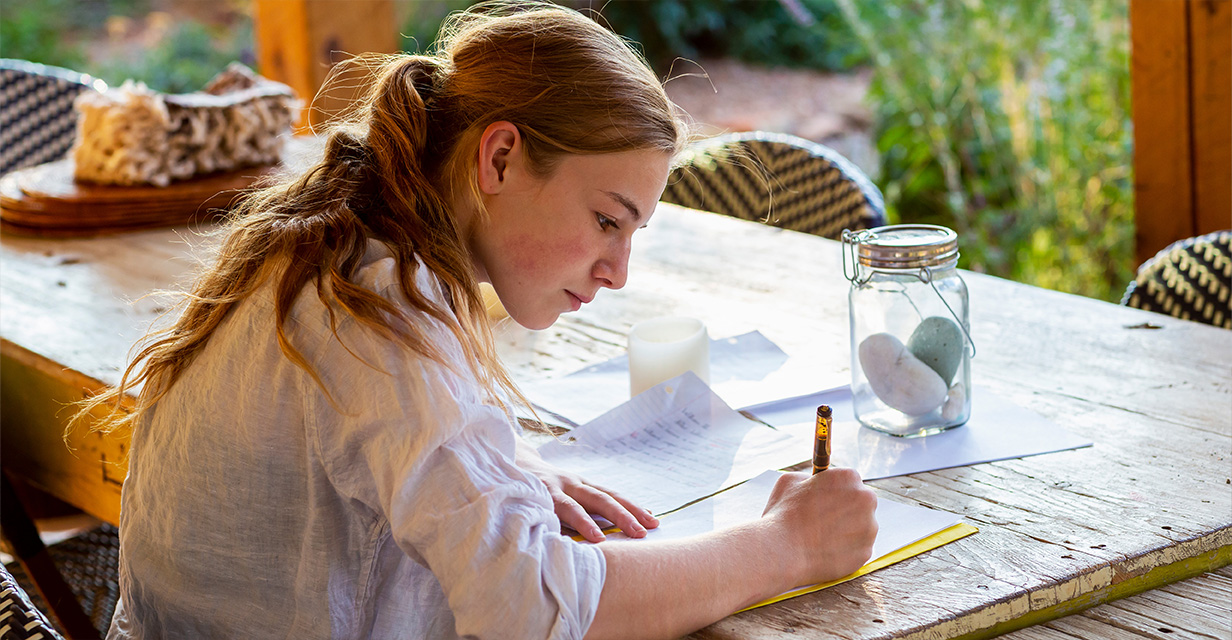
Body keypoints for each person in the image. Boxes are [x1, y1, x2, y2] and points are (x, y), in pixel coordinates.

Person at [82, 3, 878, 638]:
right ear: (498, 158)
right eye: (608, 220)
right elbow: (529, 608)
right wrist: (787, 547)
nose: (619, 270)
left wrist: (495, 477)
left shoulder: (336, 247)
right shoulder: (380, 314)